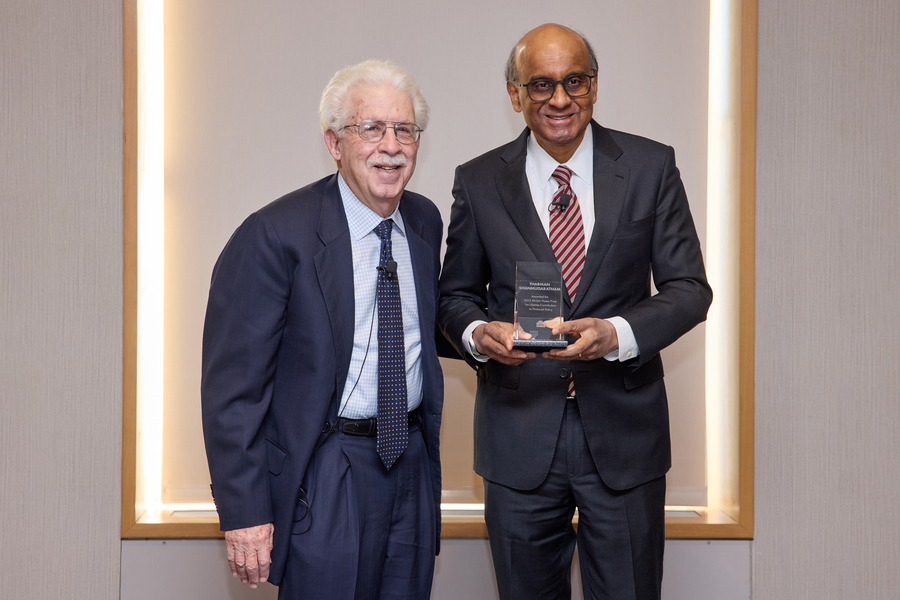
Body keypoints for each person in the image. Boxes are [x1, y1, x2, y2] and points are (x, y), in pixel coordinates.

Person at [438, 24, 713, 600]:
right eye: (540, 85)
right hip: (518, 437)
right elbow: (453, 296)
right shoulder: (479, 180)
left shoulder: (649, 166)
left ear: (594, 86)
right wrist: (476, 332)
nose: (559, 99)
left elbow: (690, 288)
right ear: (514, 94)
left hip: (624, 435)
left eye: (574, 82)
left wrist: (616, 332)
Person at [201, 59, 444, 600]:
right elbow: (232, 390)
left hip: (409, 463)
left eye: (404, 130)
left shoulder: (425, 222)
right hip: (327, 469)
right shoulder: (274, 235)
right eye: (371, 129)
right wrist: (244, 512)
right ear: (335, 143)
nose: (391, 145)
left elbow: (424, 330)